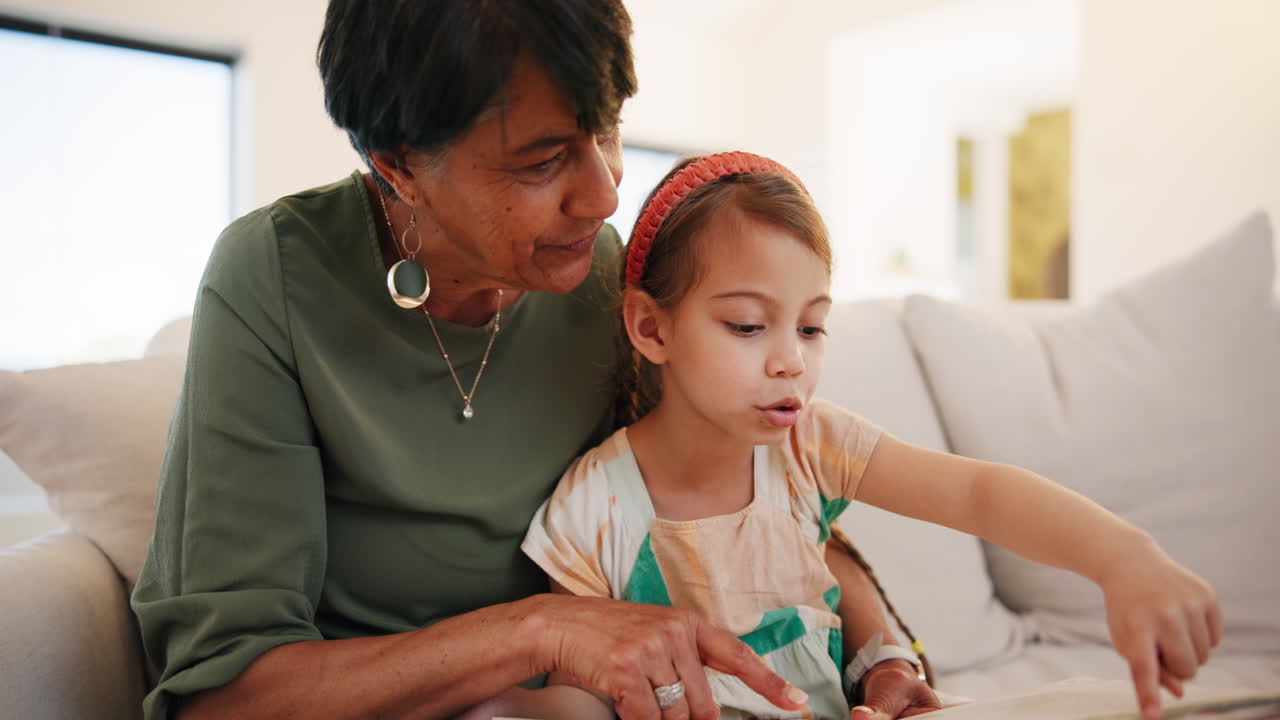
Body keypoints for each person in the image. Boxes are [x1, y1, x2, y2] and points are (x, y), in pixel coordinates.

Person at [129, 3, 938, 720]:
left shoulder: (606, 282)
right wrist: (538, 629)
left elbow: (756, 499)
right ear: (400, 164)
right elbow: (223, 699)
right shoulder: (272, 280)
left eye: (609, 128)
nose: (606, 192)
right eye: (544, 160)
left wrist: (883, 658)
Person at [464, 152, 1222, 720]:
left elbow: (977, 492)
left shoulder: (810, 449)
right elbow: (574, 693)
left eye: (813, 325)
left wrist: (1123, 557)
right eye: (749, 326)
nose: (791, 359)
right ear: (652, 327)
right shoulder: (593, 505)